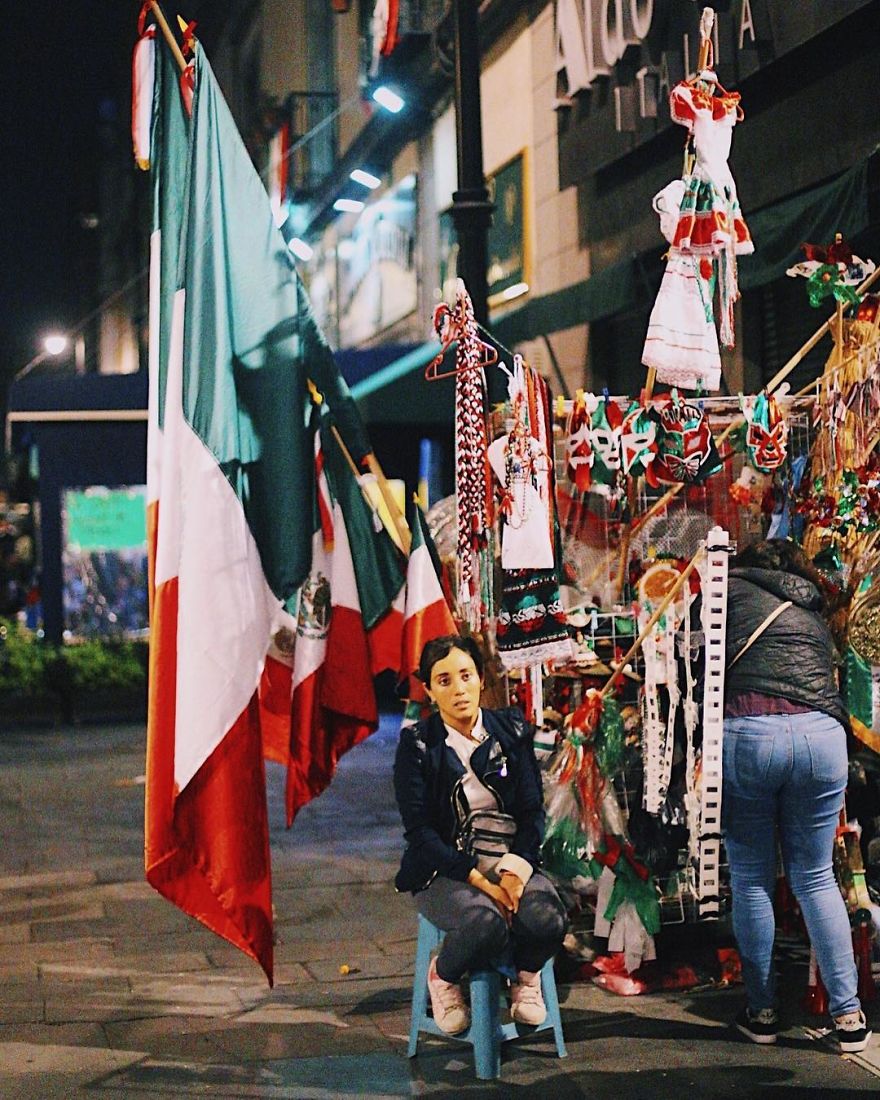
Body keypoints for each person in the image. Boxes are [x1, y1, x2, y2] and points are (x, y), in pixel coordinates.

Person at [721, 539, 871, 1052]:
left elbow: (690, 657)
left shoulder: (727, 589)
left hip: (749, 734)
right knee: (815, 877)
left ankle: (762, 1013)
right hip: (821, 739)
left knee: (752, 879)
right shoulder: (812, 602)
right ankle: (849, 1018)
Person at [393, 635, 568, 1035]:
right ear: (430, 690)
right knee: (484, 924)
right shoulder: (417, 745)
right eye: (444, 681)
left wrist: (513, 874)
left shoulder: (510, 730)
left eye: (466, 676)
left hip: (508, 859)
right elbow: (420, 834)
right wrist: (481, 882)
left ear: (481, 679)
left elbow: (531, 813)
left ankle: (526, 978)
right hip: (446, 871)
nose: (458, 690)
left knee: (549, 920)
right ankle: (444, 977)